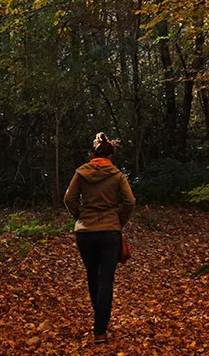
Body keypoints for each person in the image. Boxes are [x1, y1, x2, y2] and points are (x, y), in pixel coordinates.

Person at [63, 132, 135, 344]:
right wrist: (118, 220)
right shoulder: (117, 175)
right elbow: (130, 201)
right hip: (109, 232)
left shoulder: (81, 173)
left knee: (93, 277)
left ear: (92, 154)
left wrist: (80, 216)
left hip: (85, 233)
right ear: (111, 155)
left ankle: (99, 321)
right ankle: (100, 330)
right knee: (106, 280)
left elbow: (69, 198)